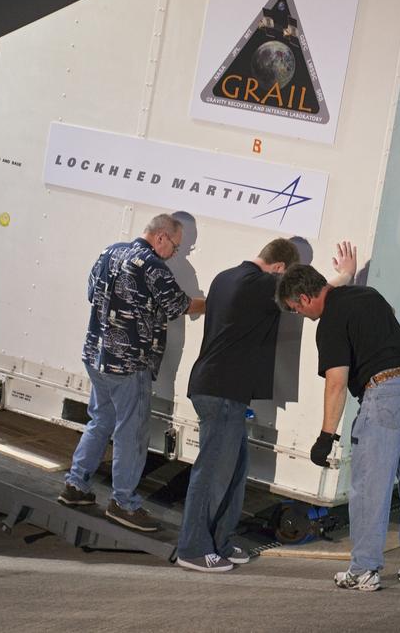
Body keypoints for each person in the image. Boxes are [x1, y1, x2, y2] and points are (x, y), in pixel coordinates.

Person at [176, 239, 357, 573]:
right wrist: (344, 276)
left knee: (233, 472)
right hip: (222, 391)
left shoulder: (225, 277)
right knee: (213, 473)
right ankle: (193, 547)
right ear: (279, 269)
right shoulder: (257, 284)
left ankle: (221, 542)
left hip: (220, 389)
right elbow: (309, 296)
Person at [277, 261, 400, 592]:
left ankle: (364, 569)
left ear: (305, 298)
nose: (300, 316)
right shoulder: (368, 294)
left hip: (385, 396)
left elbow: (336, 382)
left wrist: (325, 436)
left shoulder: (329, 322)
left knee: (369, 488)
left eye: (295, 309)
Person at [58, 214, 206, 532]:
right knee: (131, 433)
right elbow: (178, 306)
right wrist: (212, 302)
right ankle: (123, 503)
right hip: (128, 365)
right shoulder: (152, 266)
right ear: (161, 237)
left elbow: (90, 293)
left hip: (96, 357)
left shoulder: (108, 252)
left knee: (100, 421)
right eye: (178, 247)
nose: (178, 254)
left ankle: (75, 486)